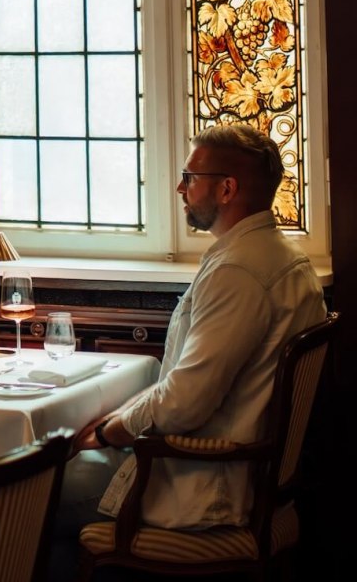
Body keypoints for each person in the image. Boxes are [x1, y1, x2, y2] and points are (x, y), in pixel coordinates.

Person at [51, 123, 326, 574]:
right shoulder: (284, 257)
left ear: (226, 189)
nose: (181, 187)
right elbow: (180, 381)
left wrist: (108, 434)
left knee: (20, 497)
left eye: (190, 176)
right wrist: (119, 421)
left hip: (203, 488)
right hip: (242, 478)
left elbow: (183, 405)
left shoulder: (238, 271)